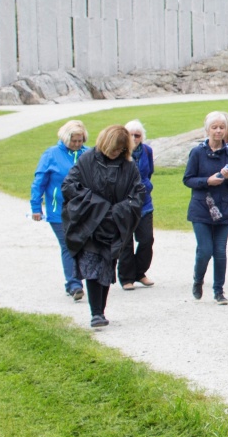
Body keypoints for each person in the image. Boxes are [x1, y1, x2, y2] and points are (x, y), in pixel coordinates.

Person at [60, 123, 146, 329]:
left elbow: (138, 194)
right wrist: (98, 206)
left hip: (114, 225)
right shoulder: (87, 160)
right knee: (92, 268)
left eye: (120, 149)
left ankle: (101, 310)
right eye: (114, 148)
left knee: (106, 267)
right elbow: (69, 186)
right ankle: (96, 313)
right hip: (90, 225)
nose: (116, 153)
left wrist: (116, 212)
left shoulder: (129, 166)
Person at [182, 110, 228, 302]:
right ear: (207, 129)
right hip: (202, 207)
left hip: (224, 208)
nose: (218, 131)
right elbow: (188, 179)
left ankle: (219, 291)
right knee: (205, 250)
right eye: (214, 127)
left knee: (220, 251)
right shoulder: (198, 153)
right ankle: (198, 279)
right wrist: (207, 181)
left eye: (222, 127)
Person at [30, 119, 88, 302]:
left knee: (83, 245)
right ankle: (74, 284)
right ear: (65, 138)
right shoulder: (51, 154)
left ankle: (81, 278)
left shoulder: (88, 154)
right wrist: (36, 207)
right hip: (58, 211)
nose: (77, 144)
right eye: (73, 141)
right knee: (68, 245)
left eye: (80, 141)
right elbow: (39, 181)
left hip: (84, 210)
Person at [117, 120, 157, 288]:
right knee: (126, 241)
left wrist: (146, 186)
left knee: (147, 239)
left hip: (144, 201)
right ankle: (126, 277)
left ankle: (140, 272)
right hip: (125, 202)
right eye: (131, 135)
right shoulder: (119, 152)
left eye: (137, 135)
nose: (134, 138)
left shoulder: (147, 150)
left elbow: (150, 171)